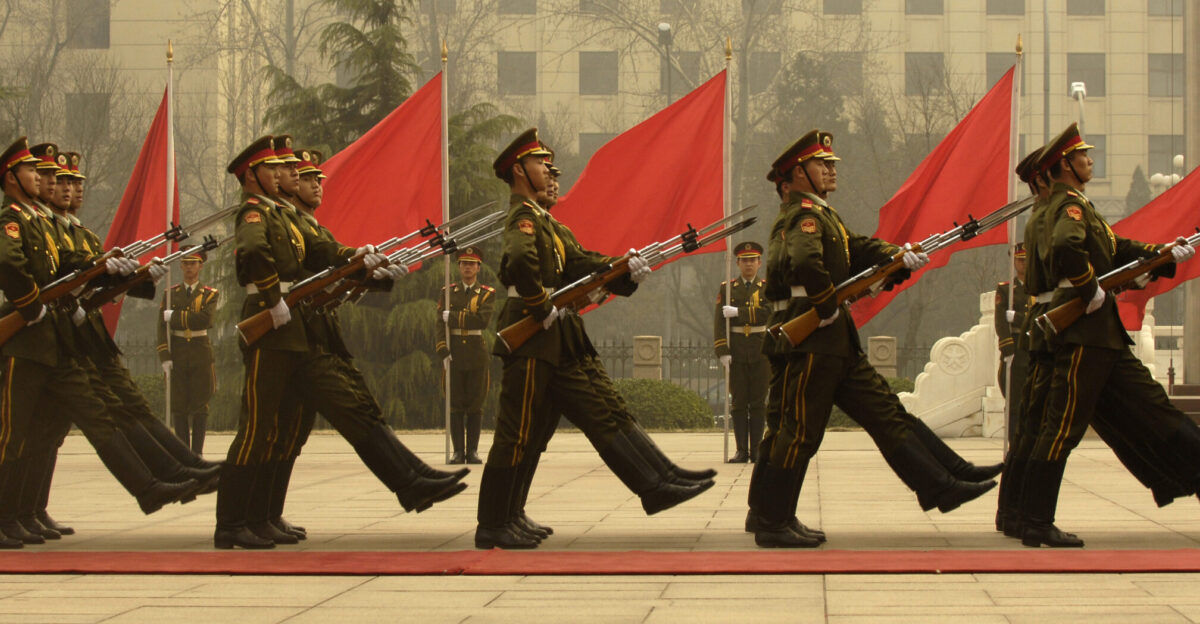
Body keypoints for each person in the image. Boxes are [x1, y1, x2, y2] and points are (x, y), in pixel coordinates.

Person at [748, 130, 996, 548]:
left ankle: (945, 481)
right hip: (812, 335)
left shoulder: (824, 216)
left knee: (885, 412)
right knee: (797, 430)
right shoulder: (802, 216)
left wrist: (897, 256)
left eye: (831, 163)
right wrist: (826, 306)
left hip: (833, 339)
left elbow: (857, 248)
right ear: (797, 174)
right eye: (822, 164)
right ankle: (772, 520)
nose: (831, 169)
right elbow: (806, 261)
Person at [215, 136, 464, 550]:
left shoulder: (284, 217)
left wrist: (359, 258)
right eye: (273, 168)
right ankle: (230, 523)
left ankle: (261, 516)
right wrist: (274, 299)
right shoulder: (254, 212)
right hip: (273, 326)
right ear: (251, 176)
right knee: (258, 428)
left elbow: (322, 251)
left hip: (296, 331)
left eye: (283, 168)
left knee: (287, 430)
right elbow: (254, 252)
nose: (281, 174)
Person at [476, 128, 710, 550]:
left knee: (553, 427)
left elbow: (583, 263)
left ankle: (513, 513)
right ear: (519, 170)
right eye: (541, 164)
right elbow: (519, 261)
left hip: (556, 337)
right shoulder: (522, 218)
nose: (550, 172)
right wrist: (539, 304)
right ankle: (493, 523)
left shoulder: (549, 224)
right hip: (532, 335)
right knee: (517, 431)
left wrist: (624, 268)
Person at [0, 137, 198, 549]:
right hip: (26, 344)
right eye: (33, 171)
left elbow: (68, 267)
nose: (42, 178)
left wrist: (115, 269)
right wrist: (31, 305)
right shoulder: (12, 220)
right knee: (14, 434)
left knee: (64, 426)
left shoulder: (43, 224)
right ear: (11, 178)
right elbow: (9, 263)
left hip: (55, 342)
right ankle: (7, 516)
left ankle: (144, 487)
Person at [1017, 123, 1198, 548]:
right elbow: (1068, 248)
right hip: (1086, 332)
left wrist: (1161, 255)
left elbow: (1116, 248)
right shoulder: (1069, 207)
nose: (1090, 160)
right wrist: (1090, 289)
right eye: (1083, 156)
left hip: (1097, 335)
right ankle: (1035, 521)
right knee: (1063, 426)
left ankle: (1026, 518)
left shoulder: (1071, 205)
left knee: (1152, 409)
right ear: (1066, 165)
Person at [436, 246, 495, 465]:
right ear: (458, 266)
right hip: (454, 353)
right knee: (455, 404)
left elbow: (481, 321)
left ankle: (472, 451)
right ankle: (458, 452)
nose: (468, 268)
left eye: (472, 264)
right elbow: (439, 323)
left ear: (478, 267)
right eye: (464, 264)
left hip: (476, 352)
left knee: (475, 404)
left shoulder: (487, 293)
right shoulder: (447, 292)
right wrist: (443, 349)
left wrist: (453, 317)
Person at [714, 241, 769, 463]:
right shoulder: (727, 289)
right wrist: (722, 350)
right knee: (738, 402)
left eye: (752, 260)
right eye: (744, 260)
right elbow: (719, 322)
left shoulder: (766, 287)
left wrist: (739, 312)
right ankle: (741, 451)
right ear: (737, 263)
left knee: (758, 402)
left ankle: (756, 450)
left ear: (759, 263)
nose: (748, 264)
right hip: (736, 350)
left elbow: (768, 313)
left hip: (760, 350)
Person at [159, 251, 218, 455]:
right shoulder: (170, 294)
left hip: (200, 351)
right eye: (186, 263)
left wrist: (174, 316)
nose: (189, 267)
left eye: (193, 263)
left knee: (200, 405)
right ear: (181, 266)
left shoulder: (210, 294)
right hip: (177, 351)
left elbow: (204, 320)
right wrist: (164, 356)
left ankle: (197, 452)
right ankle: (184, 453)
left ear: (200, 266)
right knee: (179, 405)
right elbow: (161, 327)